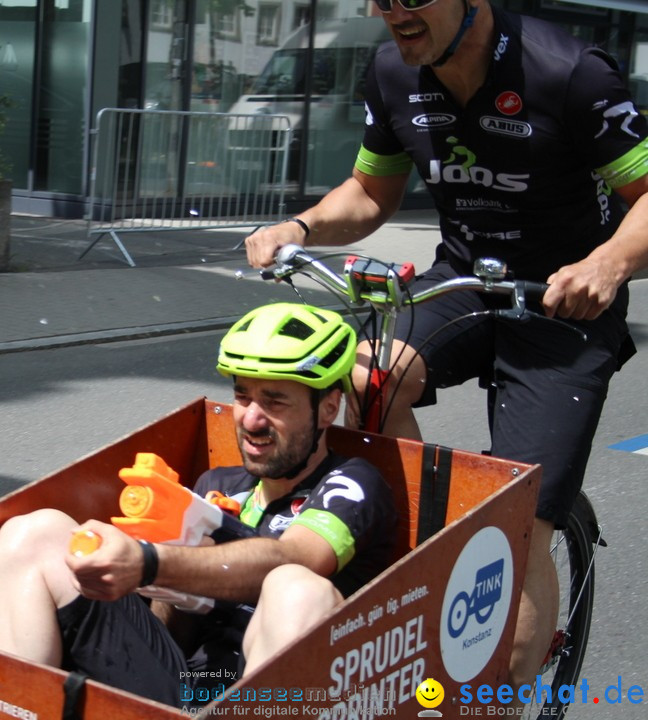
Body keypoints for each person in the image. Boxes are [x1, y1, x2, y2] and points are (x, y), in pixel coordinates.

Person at [244, 0, 648, 687]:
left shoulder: (569, 73)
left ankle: (504, 690)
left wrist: (606, 264)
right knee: (368, 376)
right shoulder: (392, 74)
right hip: (463, 281)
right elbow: (372, 192)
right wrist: (301, 227)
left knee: (517, 530)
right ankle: (412, 553)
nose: (393, 11)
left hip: (562, 305)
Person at [0, 303, 396, 708]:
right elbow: (171, 634)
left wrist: (150, 562)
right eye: (242, 396)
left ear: (327, 408)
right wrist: (170, 586)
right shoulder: (216, 485)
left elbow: (297, 557)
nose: (251, 420)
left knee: (296, 588)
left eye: (275, 402)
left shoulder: (352, 482)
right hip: (188, 689)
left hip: (271, 695)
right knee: (33, 533)